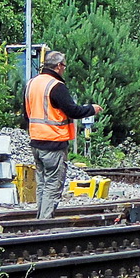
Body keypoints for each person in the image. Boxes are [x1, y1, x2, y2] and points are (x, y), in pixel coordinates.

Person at [25, 50, 101, 219]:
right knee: (53, 185)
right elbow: (72, 110)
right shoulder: (56, 86)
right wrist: (91, 109)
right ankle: (44, 223)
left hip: (36, 142)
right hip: (54, 142)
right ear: (59, 66)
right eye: (64, 66)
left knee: (42, 184)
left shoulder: (31, 83)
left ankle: (40, 218)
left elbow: (26, 114)